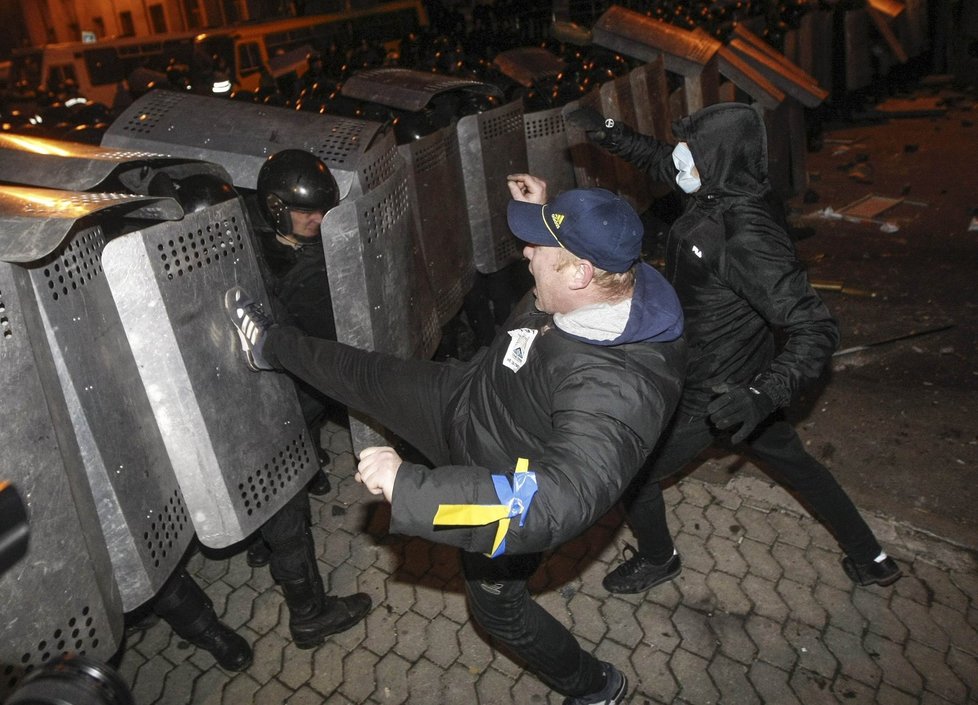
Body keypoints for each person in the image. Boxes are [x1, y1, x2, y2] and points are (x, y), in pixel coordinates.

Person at [223, 176, 686, 704]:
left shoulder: (619, 388)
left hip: (494, 470)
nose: (526, 253)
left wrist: (413, 489)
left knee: (497, 610)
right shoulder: (601, 271)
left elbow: (552, 504)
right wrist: (548, 214)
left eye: (538, 247)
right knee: (364, 373)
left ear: (581, 273)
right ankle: (270, 346)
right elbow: (579, 244)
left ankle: (596, 686)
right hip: (467, 397)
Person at [563, 101, 902, 593]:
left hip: (715, 391)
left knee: (633, 473)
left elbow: (815, 326)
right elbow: (663, 160)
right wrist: (611, 130)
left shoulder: (746, 234)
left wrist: (764, 394)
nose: (680, 163)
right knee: (795, 463)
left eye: (692, 156)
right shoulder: (720, 185)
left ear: (719, 160)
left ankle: (660, 559)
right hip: (731, 370)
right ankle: (872, 558)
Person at [149, 167, 371, 650]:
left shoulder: (175, 277)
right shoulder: (227, 269)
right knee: (288, 521)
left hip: (233, 410)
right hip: (253, 409)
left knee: (268, 504)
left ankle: (259, 544)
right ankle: (310, 615)